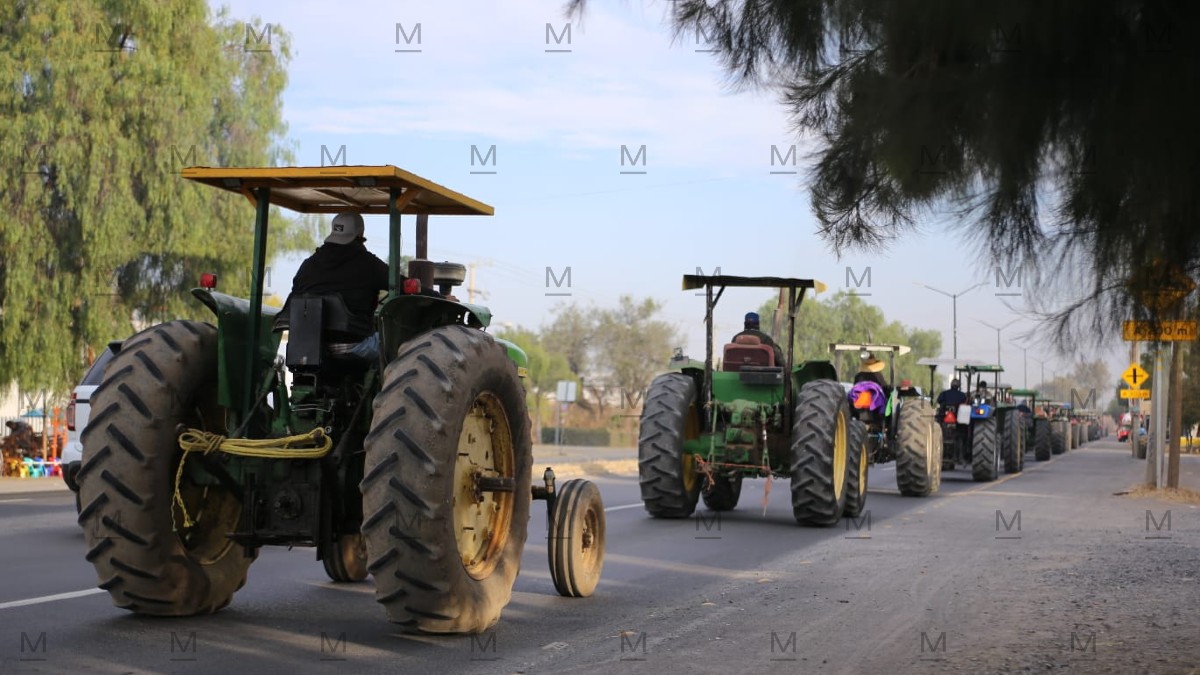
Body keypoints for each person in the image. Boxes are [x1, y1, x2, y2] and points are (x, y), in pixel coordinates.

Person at [289, 212, 444, 361]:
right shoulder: (368, 264)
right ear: (360, 235)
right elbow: (406, 286)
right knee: (408, 339)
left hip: (306, 349)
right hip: (355, 346)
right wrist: (441, 299)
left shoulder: (308, 265)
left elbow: (295, 295)